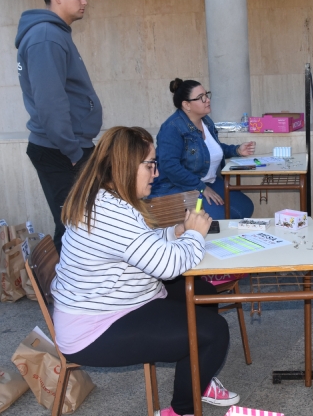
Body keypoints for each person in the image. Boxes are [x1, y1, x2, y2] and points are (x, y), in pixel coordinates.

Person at [51, 126, 239, 416]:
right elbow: (167, 267)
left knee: (203, 293)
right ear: (125, 166)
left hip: (114, 303)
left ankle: (196, 376)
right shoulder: (110, 212)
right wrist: (194, 236)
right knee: (214, 332)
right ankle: (182, 410)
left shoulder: (109, 198)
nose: (156, 173)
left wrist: (176, 231)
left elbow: (140, 246)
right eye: (150, 165)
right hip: (95, 328)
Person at [15, 0, 102, 254]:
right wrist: (74, 152)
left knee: (81, 224)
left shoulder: (53, 34)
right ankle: (64, 296)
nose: (84, 1)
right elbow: (51, 104)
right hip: (61, 150)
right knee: (74, 227)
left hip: (67, 147)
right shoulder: (46, 37)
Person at [151, 78, 256, 220]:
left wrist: (236, 150)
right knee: (217, 219)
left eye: (207, 95)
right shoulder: (172, 128)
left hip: (207, 181)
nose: (207, 100)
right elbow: (169, 166)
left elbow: (208, 151)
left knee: (245, 207)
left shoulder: (206, 121)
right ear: (187, 105)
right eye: (201, 98)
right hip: (177, 187)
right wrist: (201, 187)